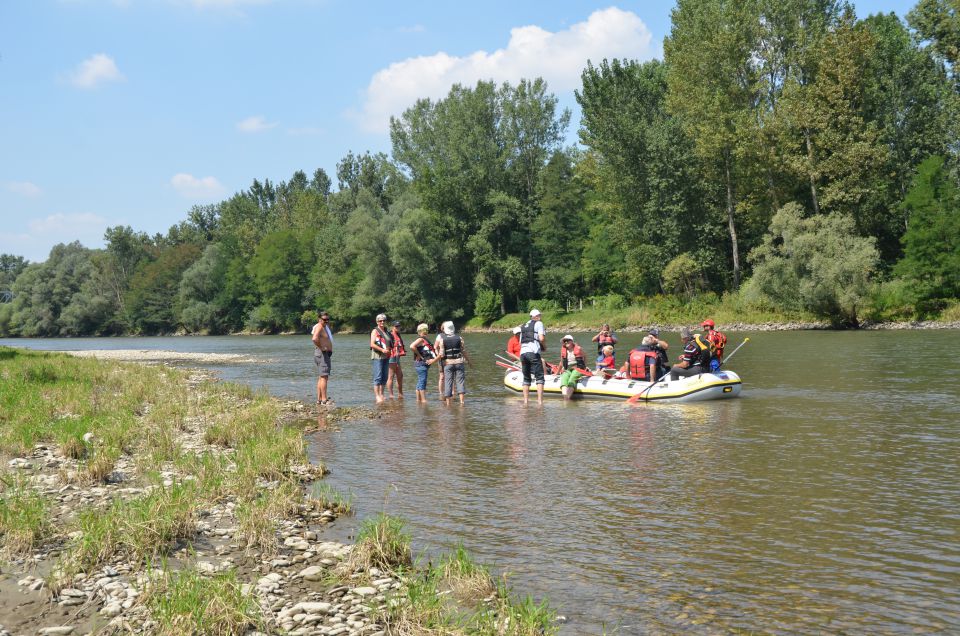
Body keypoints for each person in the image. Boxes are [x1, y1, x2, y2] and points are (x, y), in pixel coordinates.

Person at [518, 309, 546, 404]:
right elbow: (541, 338)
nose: (540, 317)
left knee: (526, 378)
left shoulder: (523, 326)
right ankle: (540, 402)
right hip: (533, 352)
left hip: (523, 353)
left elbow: (520, 342)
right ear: (536, 316)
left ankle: (525, 402)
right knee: (540, 377)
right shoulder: (539, 323)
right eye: (540, 315)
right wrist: (544, 346)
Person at [438, 321, 468, 405]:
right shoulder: (460, 338)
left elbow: (442, 354)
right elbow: (463, 351)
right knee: (460, 381)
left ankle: (448, 403)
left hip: (448, 363)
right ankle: (462, 402)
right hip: (459, 362)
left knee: (448, 382)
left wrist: (433, 360)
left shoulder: (442, 340)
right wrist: (469, 361)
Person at [410, 323, 441, 403]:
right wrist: (419, 355)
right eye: (424, 330)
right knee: (422, 381)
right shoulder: (421, 339)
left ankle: (418, 400)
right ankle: (423, 400)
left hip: (421, 365)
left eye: (426, 330)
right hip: (421, 364)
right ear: (420, 331)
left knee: (420, 381)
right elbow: (412, 346)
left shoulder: (424, 339)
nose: (426, 331)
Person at [311, 310, 334, 405]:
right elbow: (314, 338)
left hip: (322, 354)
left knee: (321, 377)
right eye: (324, 319)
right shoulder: (320, 327)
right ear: (319, 319)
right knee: (324, 377)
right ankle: (324, 399)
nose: (326, 321)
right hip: (322, 354)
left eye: (328, 319)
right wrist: (322, 348)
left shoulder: (323, 326)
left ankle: (319, 399)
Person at [369, 314, 393, 403]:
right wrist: (382, 350)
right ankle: (377, 396)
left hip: (386, 356)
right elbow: (372, 344)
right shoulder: (375, 331)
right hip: (377, 356)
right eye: (380, 321)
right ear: (377, 322)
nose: (382, 322)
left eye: (384, 320)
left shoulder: (386, 331)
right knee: (378, 377)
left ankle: (382, 394)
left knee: (385, 376)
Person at [387, 320, 406, 399]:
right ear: (392, 327)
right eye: (396, 326)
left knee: (400, 375)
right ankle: (391, 395)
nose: (398, 327)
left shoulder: (398, 334)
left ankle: (400, 394)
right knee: (391, 376)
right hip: (391, 357)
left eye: (399, 326)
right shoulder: (390, 334)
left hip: (397, 357)